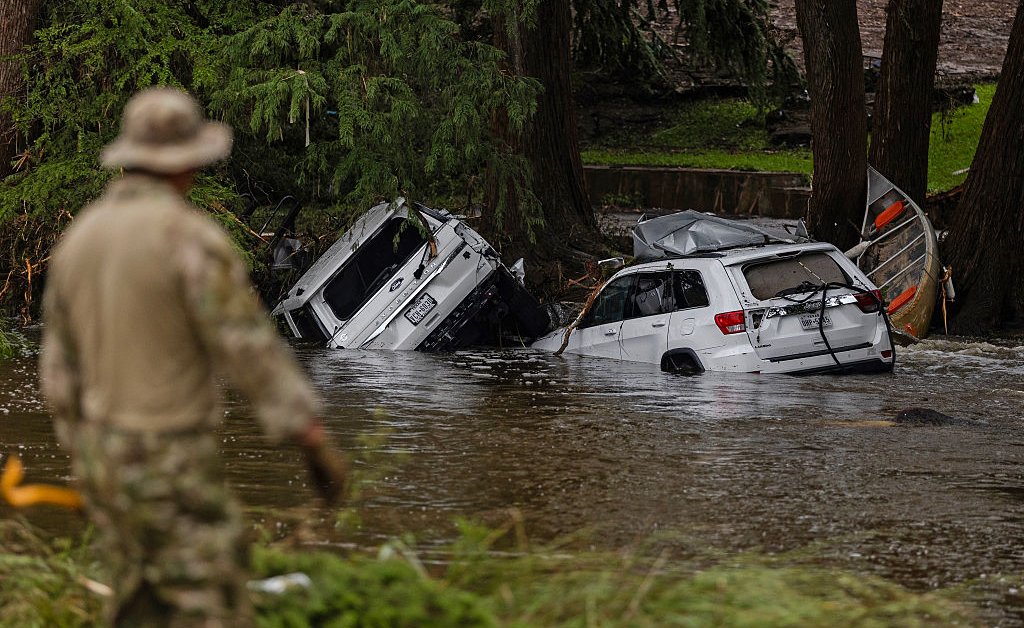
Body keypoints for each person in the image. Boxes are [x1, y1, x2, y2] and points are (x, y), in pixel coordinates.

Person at [39, 86, 348, 627]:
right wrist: (311, 435)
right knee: (213, 598)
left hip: (100, 455)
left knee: (138, 597)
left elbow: (57, 371)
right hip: (170, 456)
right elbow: (247, 347)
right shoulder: (189, 239)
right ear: (187, 164)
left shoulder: (79, 239)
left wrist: (84, 452)